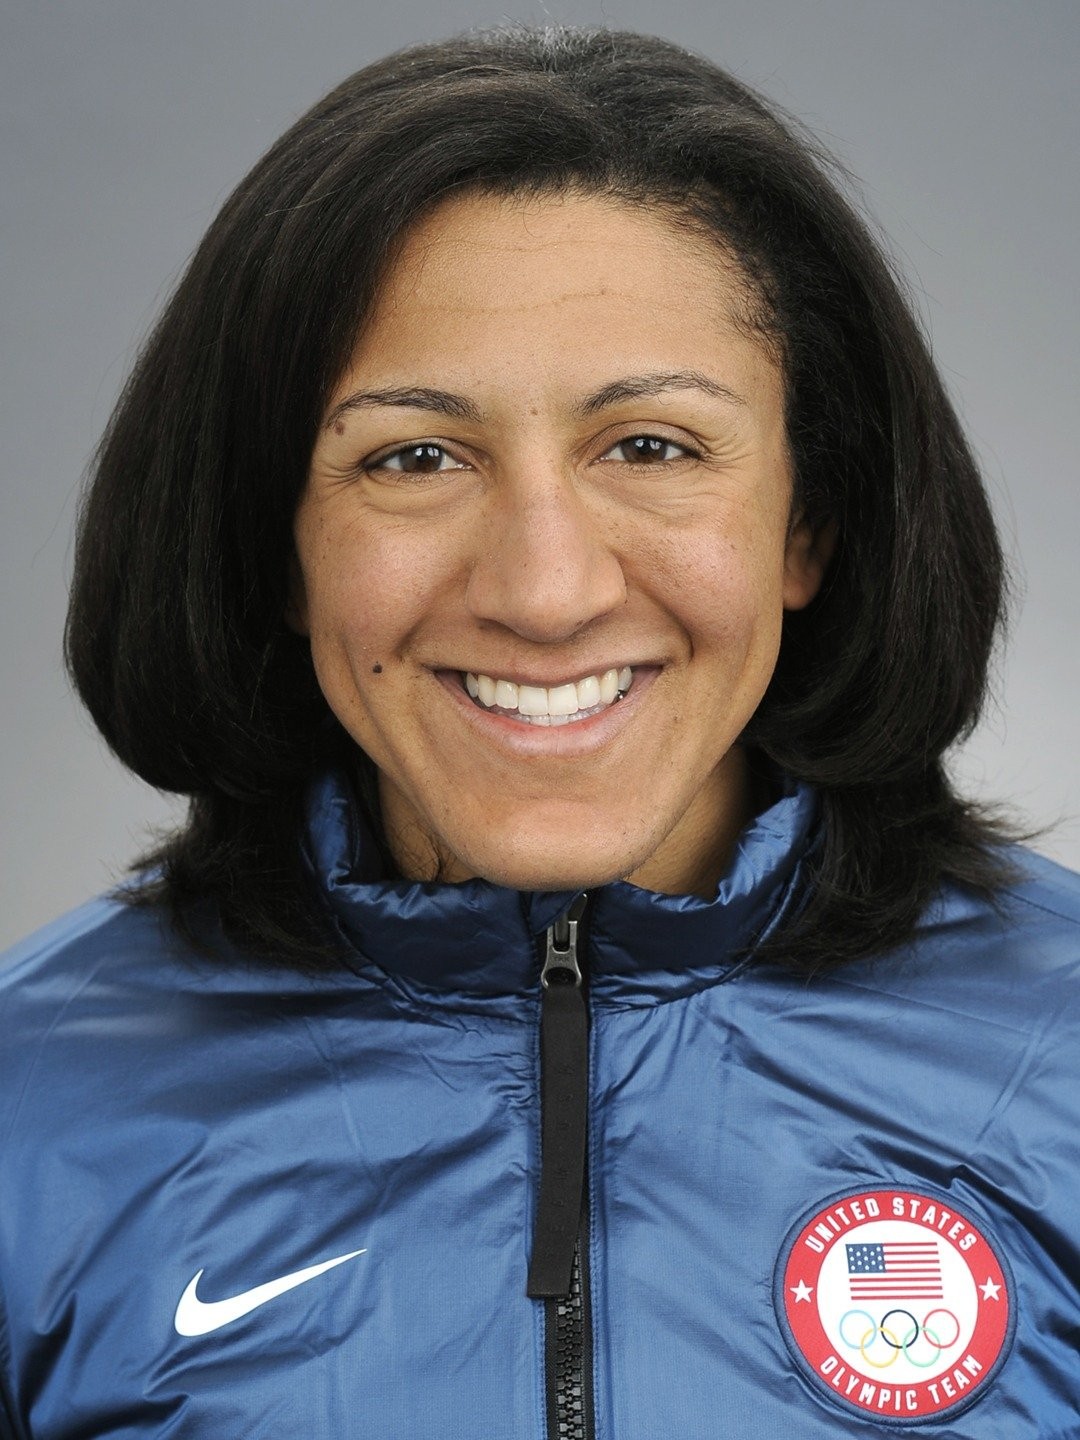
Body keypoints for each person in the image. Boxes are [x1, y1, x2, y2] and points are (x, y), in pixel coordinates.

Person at [1, 23, 1077, 1439]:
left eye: (651, 446)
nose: (545, 591)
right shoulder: (31, 1110)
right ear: (277, 548)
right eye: (415, 457)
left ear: (809, 523)